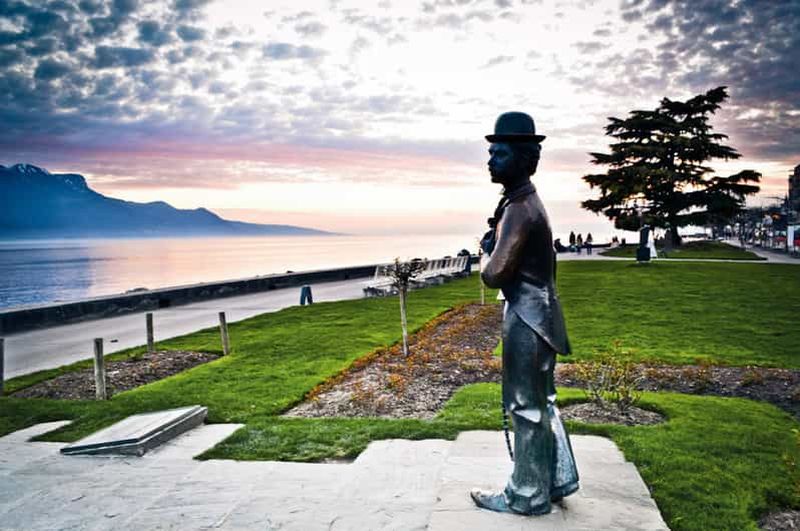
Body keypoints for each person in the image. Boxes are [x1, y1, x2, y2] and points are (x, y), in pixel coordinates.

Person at [475, 111, 579, 516]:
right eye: (490, 153)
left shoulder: (521, 209)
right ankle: (553, 481)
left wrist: (486, 251)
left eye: (497, 154)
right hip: (540, 314)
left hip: (528, 316)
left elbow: (495, 274)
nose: (490, 160)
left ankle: (527, 495)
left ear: (521, 158)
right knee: (541, 400)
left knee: (525, 405)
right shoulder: (519, 202)